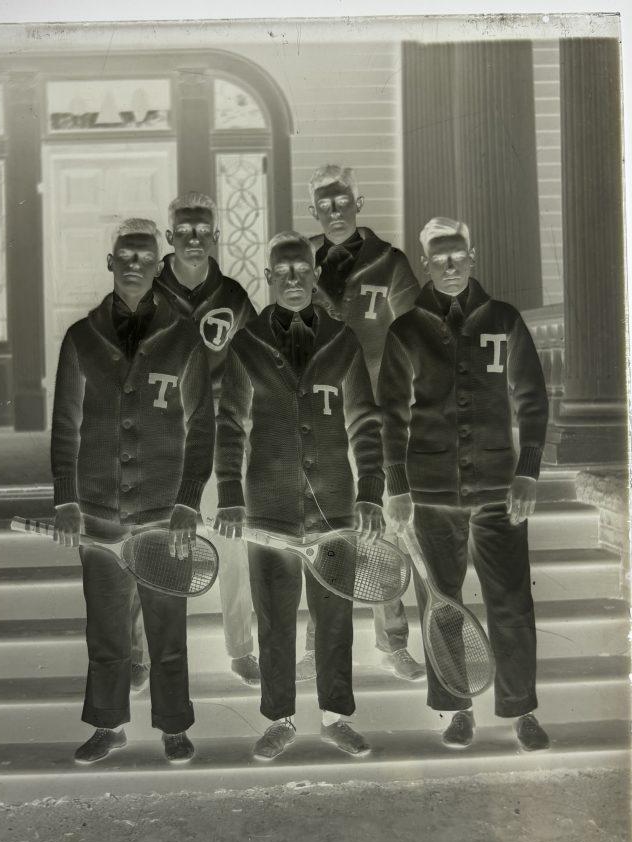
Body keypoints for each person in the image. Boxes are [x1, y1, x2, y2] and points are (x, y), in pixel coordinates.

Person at [379, 216, 550, 752]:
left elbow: (532, 400)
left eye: (458, 255)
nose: (450, 265)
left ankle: (521, 708)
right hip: (432, 493)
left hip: (500, 490)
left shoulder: (503, 318)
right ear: (424, 263)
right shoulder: (406, 329)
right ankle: (456, 708)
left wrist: (528, 471)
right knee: (441, 601)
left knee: (511, 599)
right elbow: (390, 415)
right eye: (439, 257)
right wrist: (398, 485)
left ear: (472, 257)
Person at [214, 230, 385, 760]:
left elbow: (365, 421)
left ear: (314, 275)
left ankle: (337, 717)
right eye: (281, 270)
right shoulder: (247, 344)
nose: (292, 278)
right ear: (267, 277)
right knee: (275, 615)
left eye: (301, 269)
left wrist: (372, 490)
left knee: (334, 616)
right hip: (267, 506)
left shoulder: (342, 340)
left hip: (334, 503)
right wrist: (228, 493)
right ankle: (278, 718)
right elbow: (229, 423)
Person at [51, 218, 215, 765]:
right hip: (97, 510)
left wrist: (189, 500)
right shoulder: (80, 337)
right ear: (110, 261)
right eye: (127, 254)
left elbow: (203, 425)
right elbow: (65, 424)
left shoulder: (184, 338)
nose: (136, 264)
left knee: (167, 625)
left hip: (162, 512)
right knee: (106, 625)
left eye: (147, 255)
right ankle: (107, 724)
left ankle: (173, 725)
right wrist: (66, 500)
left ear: (159, 262)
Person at [295, 163, 425, 685]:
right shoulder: (300, 260)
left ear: (358, 202)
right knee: (323, 524)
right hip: (321, 412)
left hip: (375, 408)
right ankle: (318, 643)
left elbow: (418, 334)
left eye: (341, 200)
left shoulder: (389, 261)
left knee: (382, 526)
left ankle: (393, 640)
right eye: (323, 203)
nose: (333, 210)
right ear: (313, 211)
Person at [148, 191, 260, 686]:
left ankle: (240, 647)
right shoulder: (147, 294)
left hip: (217, 433)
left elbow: (259, 362)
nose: (195, 237)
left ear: (215, 236)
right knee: (149, 538)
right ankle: (140, 654)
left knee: (230, 542)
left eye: (203, 229)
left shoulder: (233, 296)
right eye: (185, 229)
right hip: (161, 433)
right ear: (170, 237)